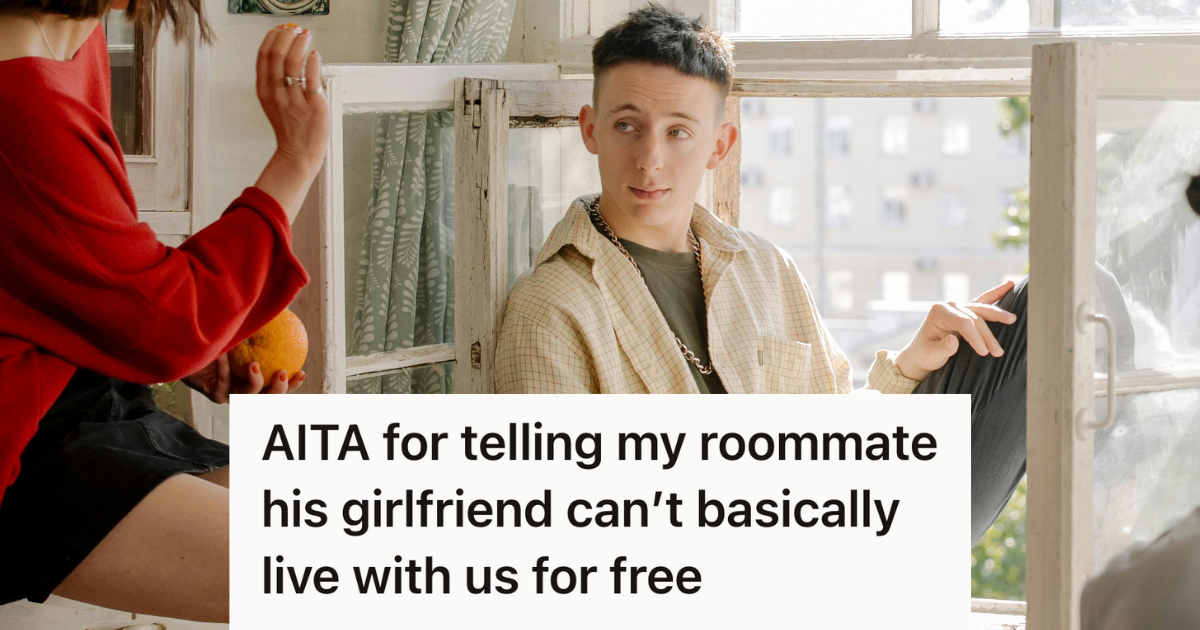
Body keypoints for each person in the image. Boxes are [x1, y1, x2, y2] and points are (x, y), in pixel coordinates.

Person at [494, 4, 1030, 544]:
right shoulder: (552, 308)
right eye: (627, 125)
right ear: (591, 130)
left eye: (679, 132)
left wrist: (912, 364)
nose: (649, 158)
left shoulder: (766, 269)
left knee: (1040, 304)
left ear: (718, 146)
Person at [0, 0, 329, 622]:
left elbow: (64, 258)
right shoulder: (19, 101)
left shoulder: (74, 37)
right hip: (26, 439)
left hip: (79, 390)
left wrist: (156, 335)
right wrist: (295, 159)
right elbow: (169, 324)